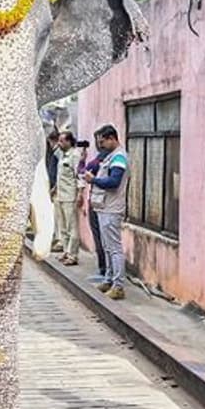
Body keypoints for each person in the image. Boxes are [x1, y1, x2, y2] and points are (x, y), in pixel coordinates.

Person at [85, 125, 129, 300]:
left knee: (114, 248)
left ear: (112, 138)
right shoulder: (110, 156)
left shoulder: (119, 157)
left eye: (103, 142)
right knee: (107, 247)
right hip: (104, 207)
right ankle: (109, 279)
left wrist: (94, 180)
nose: (100, 145)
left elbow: (114, 182)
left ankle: (118, 286)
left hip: (112, 208)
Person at [53, 131, 84, 265]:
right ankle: (66, 252)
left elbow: (80, 175)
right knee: (63, 227)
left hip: (70, 196)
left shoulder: (75, 155)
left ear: (69, 142)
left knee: (72, 228)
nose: (59, 143)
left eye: (61, 141)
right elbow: (61, 175)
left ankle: (73, 255)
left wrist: (80, 193)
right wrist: (55, 188)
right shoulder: (62, 155)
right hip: (60, 195)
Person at [80, 140, 108, 280]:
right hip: (105, 203)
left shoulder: (100, 159)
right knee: (105, 239)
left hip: (98, 203)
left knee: (100, 238)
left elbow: (82, 172)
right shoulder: (113, 158)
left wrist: (82, 161)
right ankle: (106, 270)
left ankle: (104, 269)